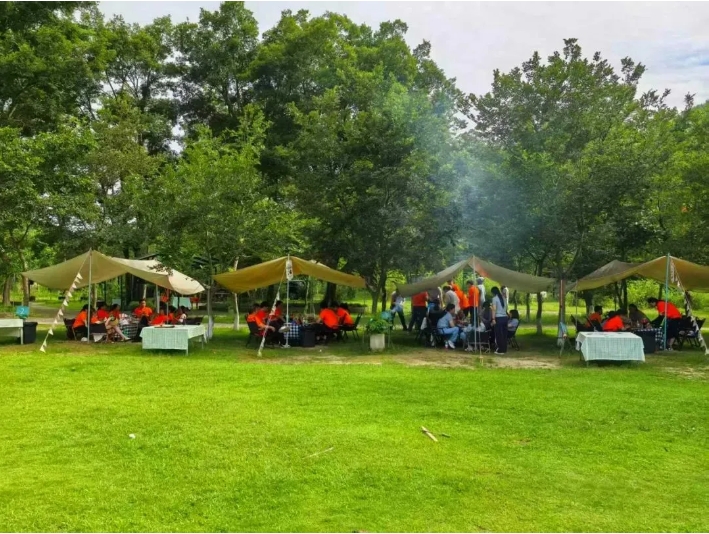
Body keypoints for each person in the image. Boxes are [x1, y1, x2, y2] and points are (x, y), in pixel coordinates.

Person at [490, 286, 508, 355]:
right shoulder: (504, 298)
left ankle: (500, 350)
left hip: (499, 317)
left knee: (499, 335)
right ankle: (504, 349)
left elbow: (494, 309)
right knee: (504, 334)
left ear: (493, 292)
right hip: (505, 317)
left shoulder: (494, 299)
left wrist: (493, 319)